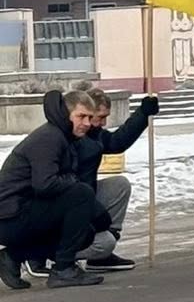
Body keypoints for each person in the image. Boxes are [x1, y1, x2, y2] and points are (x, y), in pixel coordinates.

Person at [0, 89, 111, 289]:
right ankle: (63, 269)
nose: (87, 123)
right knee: (82, 194)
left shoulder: (62, 137)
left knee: (85, 232)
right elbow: (45, 184)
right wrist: (74, 183)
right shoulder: (50, 137)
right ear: (66, 114)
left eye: (89, 117)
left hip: (20, 211)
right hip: (9, 216)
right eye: (81, 116)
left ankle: (13, 256)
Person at [62, 84, 156, 273]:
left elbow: (116, 142)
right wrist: (93, 212)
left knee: (119, 185)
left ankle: (100, 256)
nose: (103, 124)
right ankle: (60, 254)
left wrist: (143, 114)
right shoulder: (70, 137)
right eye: (100, 118)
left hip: (85, 195)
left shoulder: (94, 135)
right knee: (102, 242)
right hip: (70, 203)